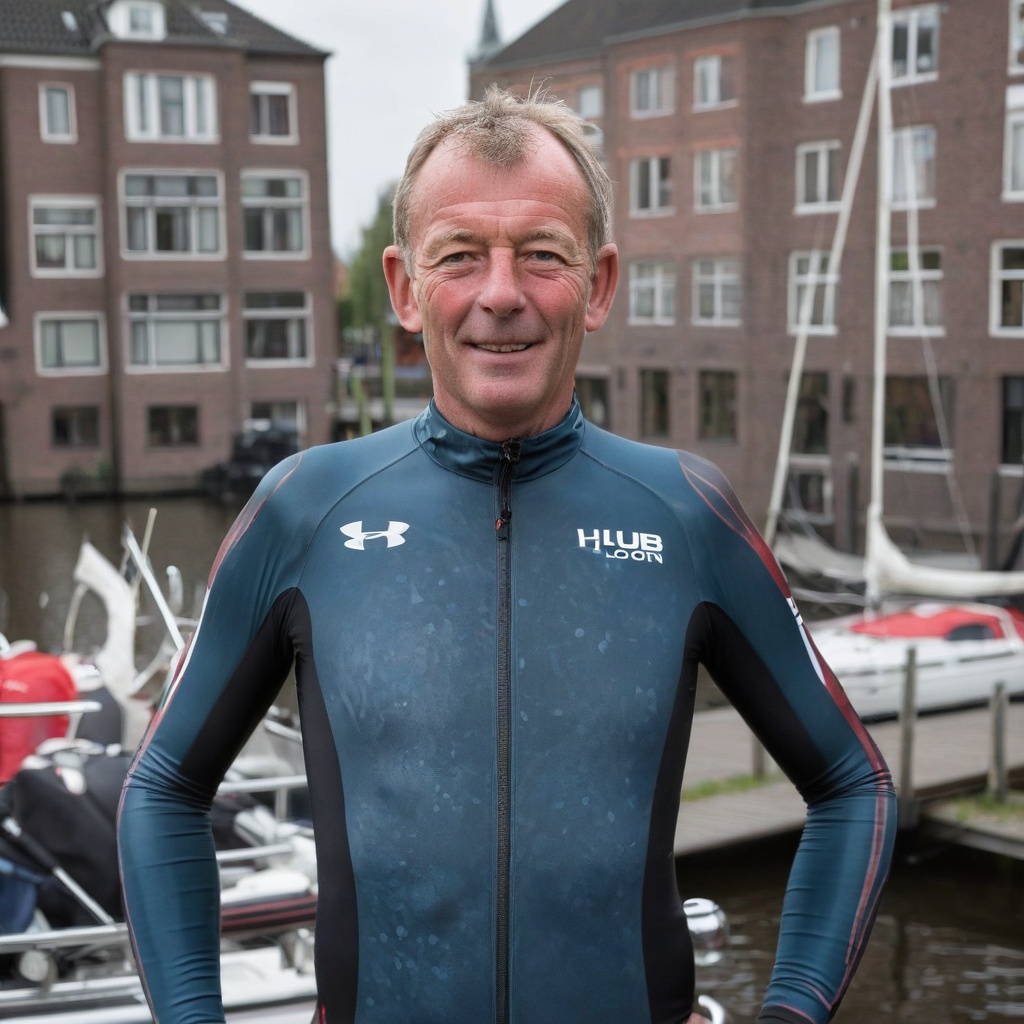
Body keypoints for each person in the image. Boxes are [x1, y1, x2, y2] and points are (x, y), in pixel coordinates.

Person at [118, 86, 896, 1024]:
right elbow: (163, 788)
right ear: (405, 288)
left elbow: (854, 784)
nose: (500, 294)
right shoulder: (307, 510)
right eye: (459, 255)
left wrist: (793, 1010)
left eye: (542, 254)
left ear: (598, 284)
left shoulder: (685, 514)